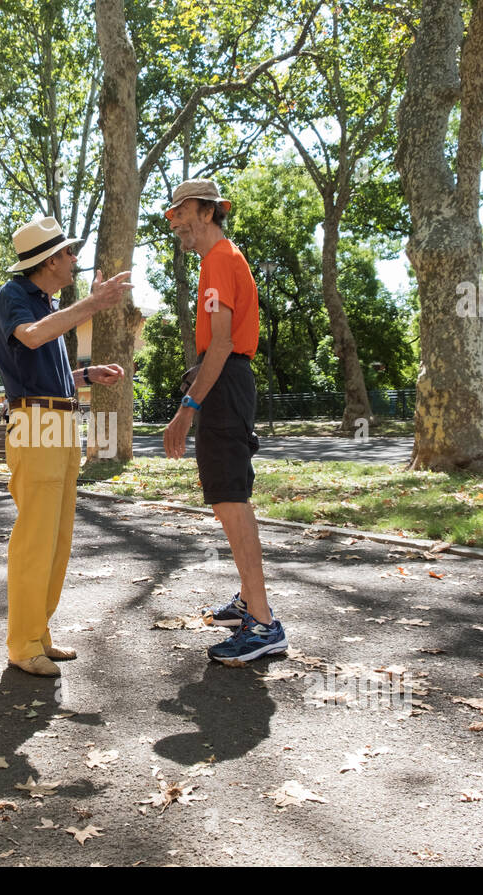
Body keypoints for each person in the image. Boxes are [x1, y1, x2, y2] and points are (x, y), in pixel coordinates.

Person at [0, 215, 131, 677]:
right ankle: (23, 643)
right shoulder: (15, 298)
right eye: (69, 252)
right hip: (35, 425)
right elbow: (31, 337)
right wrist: (92, 303)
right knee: (36, 539)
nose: (74, 258)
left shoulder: (46, 303)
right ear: (49, 260)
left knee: (58, 540)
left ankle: (39, 633)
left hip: (61, 421)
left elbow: (46, 374)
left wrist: (88, 376)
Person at [161, 179, 287, 664]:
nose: (174, 221)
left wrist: (186, 409)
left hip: (225, 385)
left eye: (181, 212)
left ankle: (263, 623)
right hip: (225, 383)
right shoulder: (222, 259)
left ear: (208, 212)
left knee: (232, 500)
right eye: (171, 214)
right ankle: (247, 602)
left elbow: (220, 344)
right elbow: (220, 343)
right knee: (225, 497)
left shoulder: (218, 260)